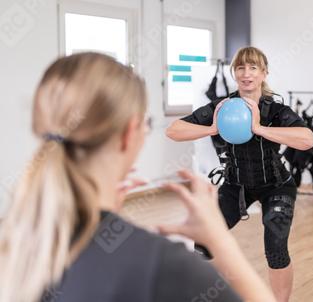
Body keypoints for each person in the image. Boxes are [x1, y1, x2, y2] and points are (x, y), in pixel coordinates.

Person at [0, 52, 276, 302]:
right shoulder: (161, 265)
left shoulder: (16, 239)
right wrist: (220, 240)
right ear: (129, 133)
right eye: (147, 123)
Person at [166, 46, 313, 302]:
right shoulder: (221, 107)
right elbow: (174, 130)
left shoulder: (276, 111)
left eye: (253, 67)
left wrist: (258, 127)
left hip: (277, 186)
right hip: (236, 185)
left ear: (264, 72)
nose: (247, 74)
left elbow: (307, 139)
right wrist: (212, 128)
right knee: (203, 244)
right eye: (241, 68)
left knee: (276, 248)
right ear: (234, 72)